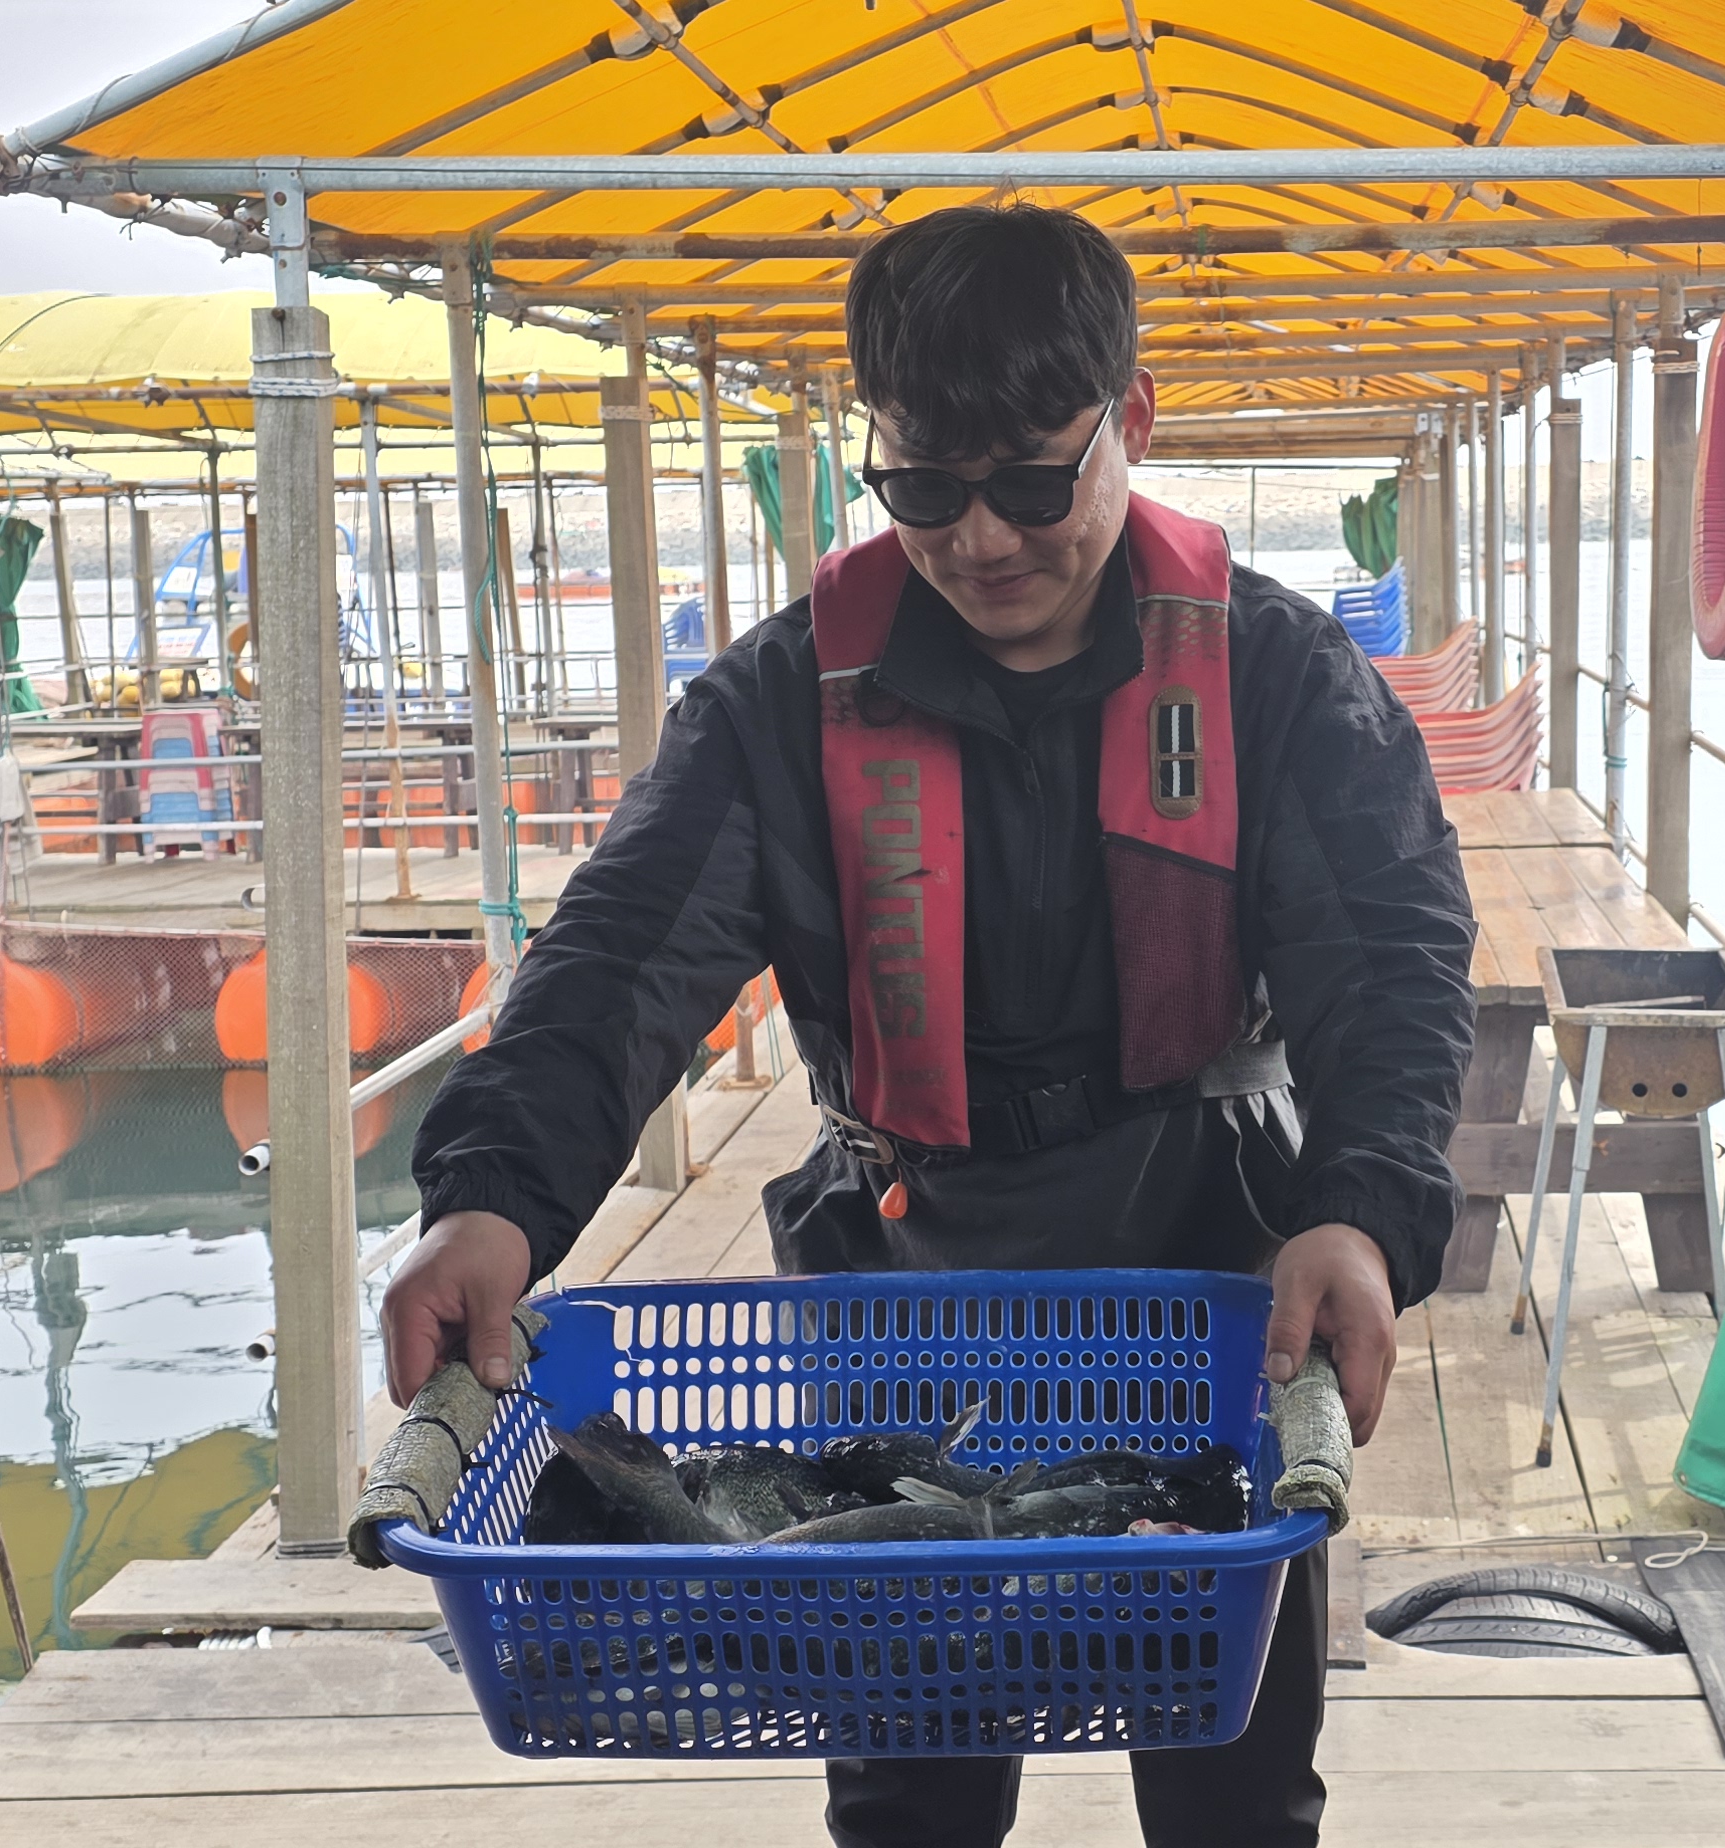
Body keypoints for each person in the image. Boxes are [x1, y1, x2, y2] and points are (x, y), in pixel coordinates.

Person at [386, 204, 1478, 1846]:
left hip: (1204, 1266)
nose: (978, 541)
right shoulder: (777, 703)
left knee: (1238, 1787)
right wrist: (490, 1198)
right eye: (923, 491)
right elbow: (617, 963)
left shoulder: (1273, 672)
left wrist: (1366, 1212)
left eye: (1033, 486)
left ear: (1132, 420)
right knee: (908, 1787)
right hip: (904, 1280)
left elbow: (1391, 960)